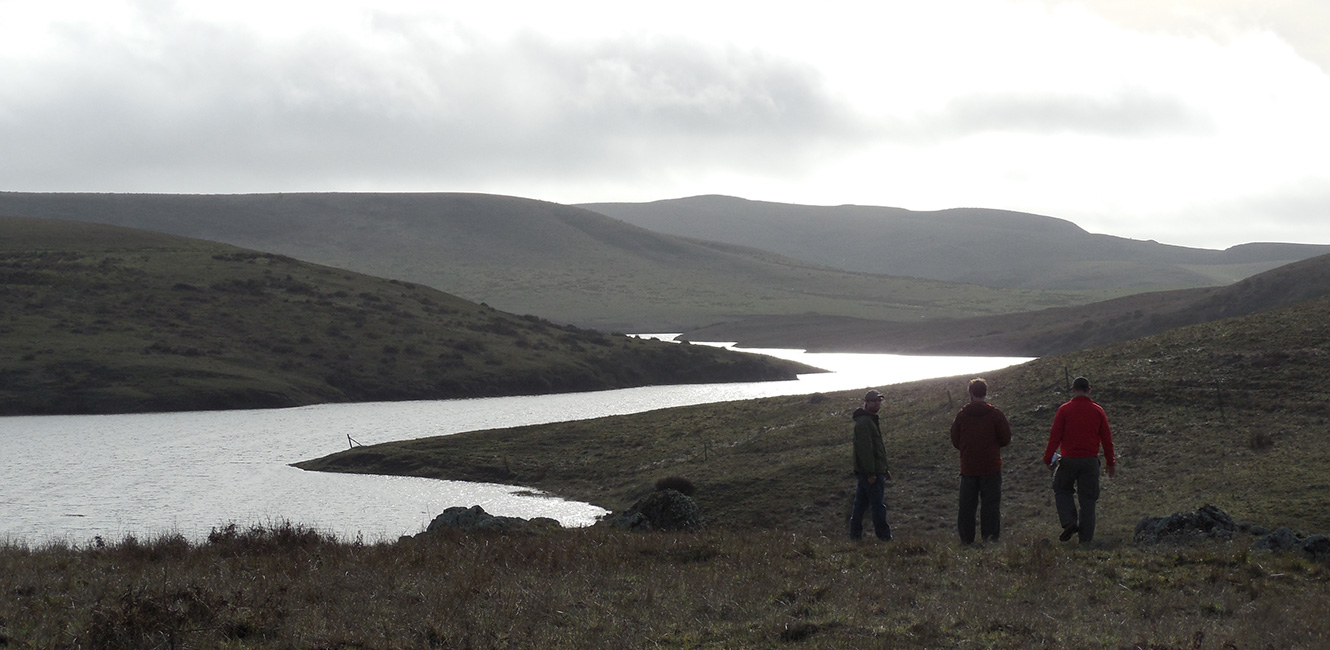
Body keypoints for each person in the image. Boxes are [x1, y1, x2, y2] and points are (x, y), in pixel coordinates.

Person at [1042, 376, 1116, 544]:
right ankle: (1085, 542)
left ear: (1073, 390)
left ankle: (1069, 521)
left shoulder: (1064, 410)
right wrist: (1110, 463)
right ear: (1089, 390)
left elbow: (1055, 437)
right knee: (1088, 501)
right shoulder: (1098, 411)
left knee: (1061, 489)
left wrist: (1048, 458)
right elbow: (1107, 440)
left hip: (1068, 460)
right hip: (1090, 461)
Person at [949, 378, 1012, 544]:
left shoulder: (962, 415)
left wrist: (967, 450)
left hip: (968, 467)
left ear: (970, 393)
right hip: (991, 466)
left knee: (967, 507)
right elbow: (1005, 438)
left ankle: (967, 540)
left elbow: (955, 439)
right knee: (990, 506)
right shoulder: (995, 415)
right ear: (985, 393)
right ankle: (990, 538)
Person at [849, 389, 893, 541]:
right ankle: (884, 537)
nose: (878, 403)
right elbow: (865, 450)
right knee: (878, 505)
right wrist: (871, 473)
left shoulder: (870, 420)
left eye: (879, 401)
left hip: (871, 471)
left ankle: (854, 536)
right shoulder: (864, 422)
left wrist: (884, 470)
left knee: (860, 505)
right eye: (875, 401)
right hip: (869, 473)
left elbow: (876, 448)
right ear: (867, 402)